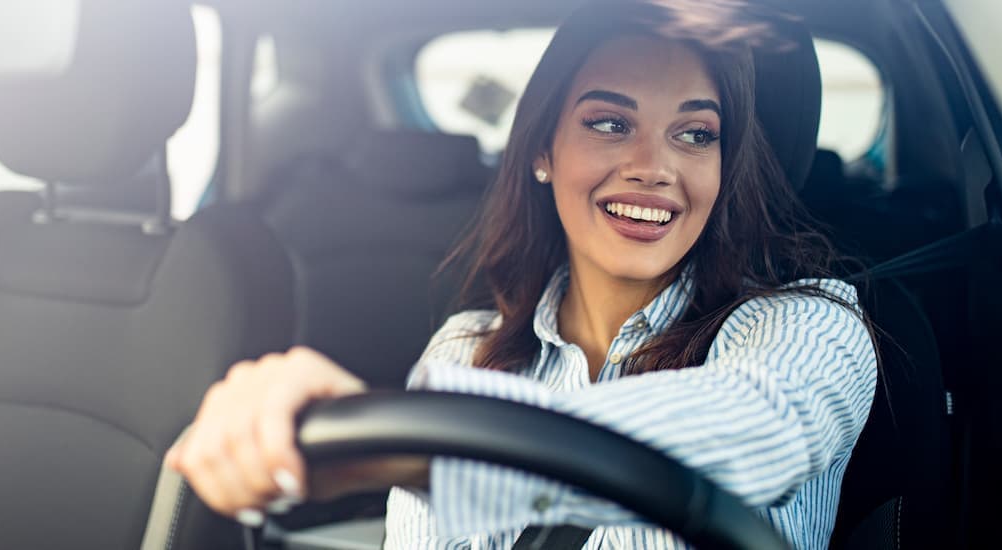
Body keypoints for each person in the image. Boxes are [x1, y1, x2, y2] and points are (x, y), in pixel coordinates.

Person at [163, 1, 877, 548]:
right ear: (542, 150)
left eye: (696, 135)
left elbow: (759, 431)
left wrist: (419, 450)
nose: (653, 168)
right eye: (609, 123)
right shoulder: (466, 351)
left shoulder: (810, 326)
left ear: (726, 171)